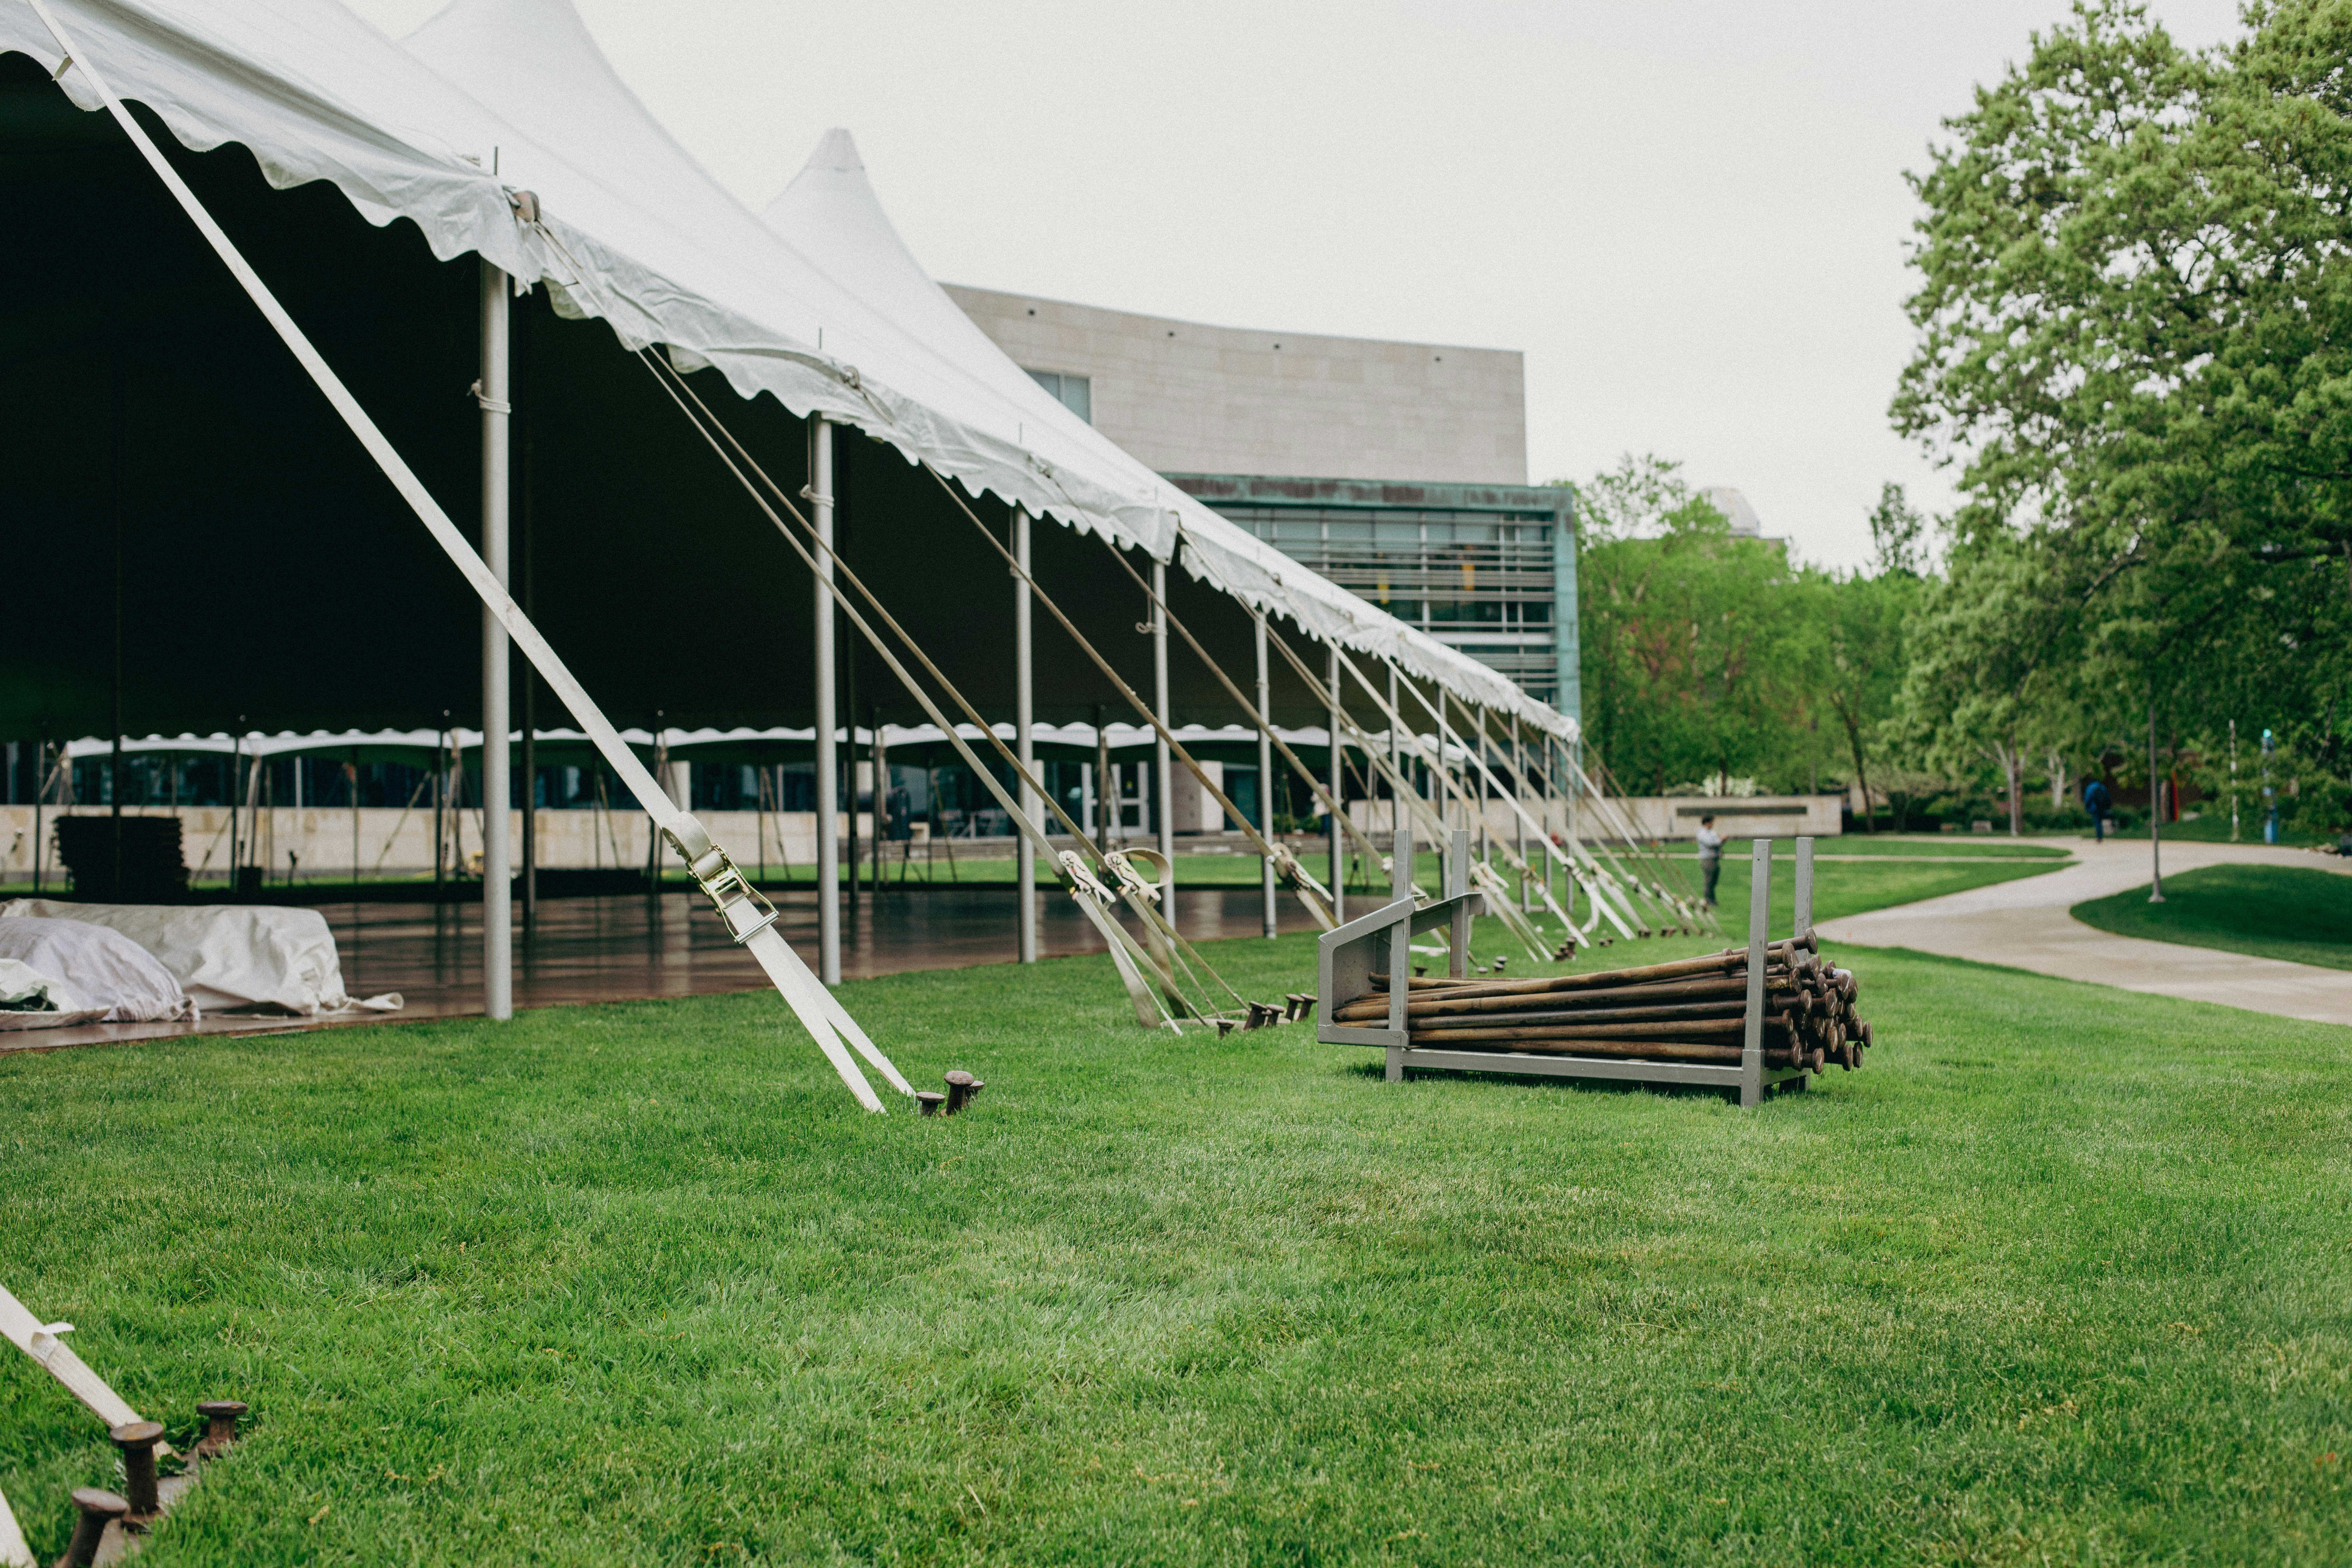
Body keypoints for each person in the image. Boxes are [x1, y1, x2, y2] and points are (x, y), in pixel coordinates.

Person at [1695, 814, 1723, 906]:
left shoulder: (1711, 832)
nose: (1713, 825)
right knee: (1709, 880)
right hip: (1708, 859)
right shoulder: (1702, 833)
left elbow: (1716, 843)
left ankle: (1713, 900)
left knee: (1714, 881)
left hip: (1714, 859)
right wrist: (1721, 840)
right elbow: (1710, 843)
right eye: (1712, 822)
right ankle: (1709, 900)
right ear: (1707, 823)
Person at [2082, 778, 2111, 842]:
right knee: (2100, 821)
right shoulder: (2102, 787)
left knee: (2097, 822)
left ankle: (2099, 837)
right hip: (2102, 807)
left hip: (2094, 807)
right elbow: (2107, 797)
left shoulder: (2090, 788)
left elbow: (2088, 798)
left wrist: (2087, 807)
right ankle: (2100, 836)